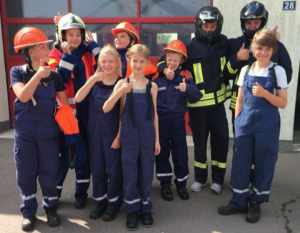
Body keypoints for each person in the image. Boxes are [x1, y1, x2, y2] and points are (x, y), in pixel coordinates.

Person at [157, 6, 231, 194]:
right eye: (205, 26)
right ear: (198, 26)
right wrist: (163, 69)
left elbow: (244, 45)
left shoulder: (225, 43)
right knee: (199, 143)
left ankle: (218, 179)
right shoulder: (189, 47)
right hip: (197, 107)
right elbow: (163, 60)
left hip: (218, 106)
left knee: (221, 141)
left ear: (218, 26)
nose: (208, 29)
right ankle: (200, 178)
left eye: (212, 26)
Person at [218, 29, 288, 223]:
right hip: (245, 120)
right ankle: (238, 201)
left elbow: (283, 103)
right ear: (252, 48)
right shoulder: (245, 70)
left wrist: (265, 94)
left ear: (273, 50)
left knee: (264, 161)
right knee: (241, 160)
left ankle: (256, 202)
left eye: (267, 48)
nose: (263, 52)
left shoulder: (278, 71)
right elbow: (239, 99)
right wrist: (238, 121)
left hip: (268, 122)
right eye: (259, 48)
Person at [11, 27, 69, 231]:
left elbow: (64, 104)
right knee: (25, 174)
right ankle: (28, 213)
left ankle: (51, 208)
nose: (47, 49)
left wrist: (69, 129)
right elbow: (23, 96)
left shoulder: (55, 76)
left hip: (49, 135)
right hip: (25, 135)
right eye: (42, 47)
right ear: (30, 52)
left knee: (49, 172)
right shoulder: (17, 72)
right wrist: (37, 76)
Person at [103, 44, 160, 231]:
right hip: (129, 136)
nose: (137, 64)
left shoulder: (152, 86)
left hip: (147, 136)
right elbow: (107, 108)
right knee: (130, 173)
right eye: (135, 60)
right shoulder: (122, 83)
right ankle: (131, 210)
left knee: (146, 172)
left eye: (142, 61)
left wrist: (157, 140)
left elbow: (155, 115)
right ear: (129, 60)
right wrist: (120, 91)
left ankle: (145, 209)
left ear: (147, 63)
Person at [49, 13, 100, 209]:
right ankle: (54, 195)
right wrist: (67, 55)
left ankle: (81, 194)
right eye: (70, 35)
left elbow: (105, 66)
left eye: (78, 34)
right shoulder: (55, 55)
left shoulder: (88, 53)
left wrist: (95, 48)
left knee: (84, 156)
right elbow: (59, 79)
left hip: (87, 115)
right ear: (62, 37)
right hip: (65, 116)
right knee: (62, 157)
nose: (75, 38)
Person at [225, 1, 292, 133]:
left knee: (263, 147)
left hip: (266, 106)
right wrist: (236, 59)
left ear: (263, 22)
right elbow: (226, 75)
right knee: (243, 146)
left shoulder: (277, 46)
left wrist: (269, 93)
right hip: (241, 106)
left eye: (256, 22)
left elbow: (286, 74)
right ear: (243, 23)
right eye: (248, 23)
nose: (252, 26)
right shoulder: (235, 44)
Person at [74, 45, 123, 221]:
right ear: (99, 63)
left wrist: (119, 136)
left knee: (113, 168)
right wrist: (92, 79)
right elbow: (78, 98)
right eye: (104, 61)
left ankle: (114, 203)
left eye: (111, 61)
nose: (107, 65)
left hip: (111, 133)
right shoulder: (94, 81)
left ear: (117, 62)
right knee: (97, 168)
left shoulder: (121, 82)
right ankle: (100, 202)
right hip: (94, 131)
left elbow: (122, 114)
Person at [153, 40, 202, 201]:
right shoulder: (156, 75)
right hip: (160, 121)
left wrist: (187, 89)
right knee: (162, 153)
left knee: (180, 152)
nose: (172, 63)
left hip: (177, 120)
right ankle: (165, 184)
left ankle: (181, 184)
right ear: (165, 58)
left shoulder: (186, 76)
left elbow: (197, 97)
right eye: (169, 59)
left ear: (182, 61)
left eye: (176, 60)